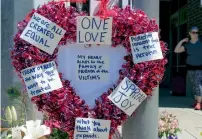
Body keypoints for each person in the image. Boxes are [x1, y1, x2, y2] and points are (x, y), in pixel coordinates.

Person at [174, 26, 202, 110]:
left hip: (200, 67)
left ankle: (199, 103)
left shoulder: (201, 42)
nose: (195, 34)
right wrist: (182, 41)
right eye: (193, 32)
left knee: (198, 83)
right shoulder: (187, 45)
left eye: (197, 33)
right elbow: (176, 50)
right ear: (189, 33)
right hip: (190, 67)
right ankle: (197, 100)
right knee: (194, 85)